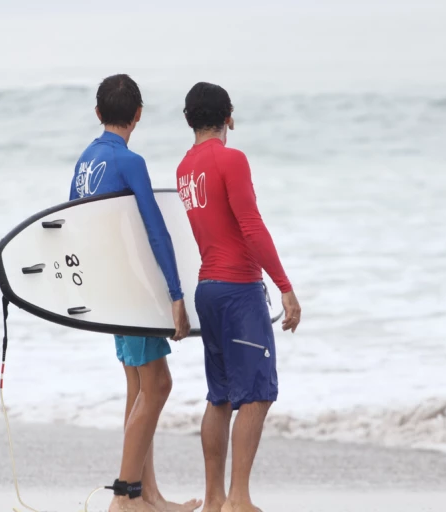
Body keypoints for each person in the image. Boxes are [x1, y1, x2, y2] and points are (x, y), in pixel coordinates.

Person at [70, 74, 201, 512]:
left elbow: (72, 226)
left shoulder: (86, 161)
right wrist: (176, 293)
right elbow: (156, 229)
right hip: (129, 290)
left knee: (138, 385)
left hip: (107, 290)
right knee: (159, 384)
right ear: (138, 115)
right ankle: (125, 498)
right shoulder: (130, 162)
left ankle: (149, 495)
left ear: (98, 113)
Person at [176, 83, 302, 512]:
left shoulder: (184, 168)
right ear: (228, 115)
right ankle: (239, 501)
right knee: (258, 393)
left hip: (207, 289)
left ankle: (214, 500)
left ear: (188, 118)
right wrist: (285, 286)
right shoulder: (232, 159)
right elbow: (251, 225)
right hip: (237, 289)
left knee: (221, 395)